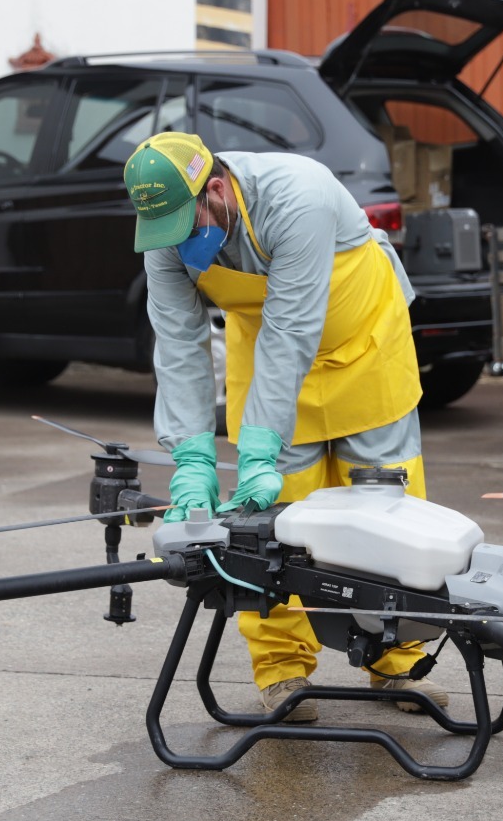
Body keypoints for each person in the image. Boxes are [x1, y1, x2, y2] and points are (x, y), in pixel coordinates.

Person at [125, 131, 446, 723]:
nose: (176, 242)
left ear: (216, 190)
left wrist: (260, 446)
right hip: (268, 357)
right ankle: (282, 671)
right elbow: (178, 348)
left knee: (386, 505)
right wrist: (192, 457)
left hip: (363, 347)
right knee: (266, 530)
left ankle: (397, 659)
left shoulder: (298, 195)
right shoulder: (167, 236)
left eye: (184, 223)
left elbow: (294, 326)